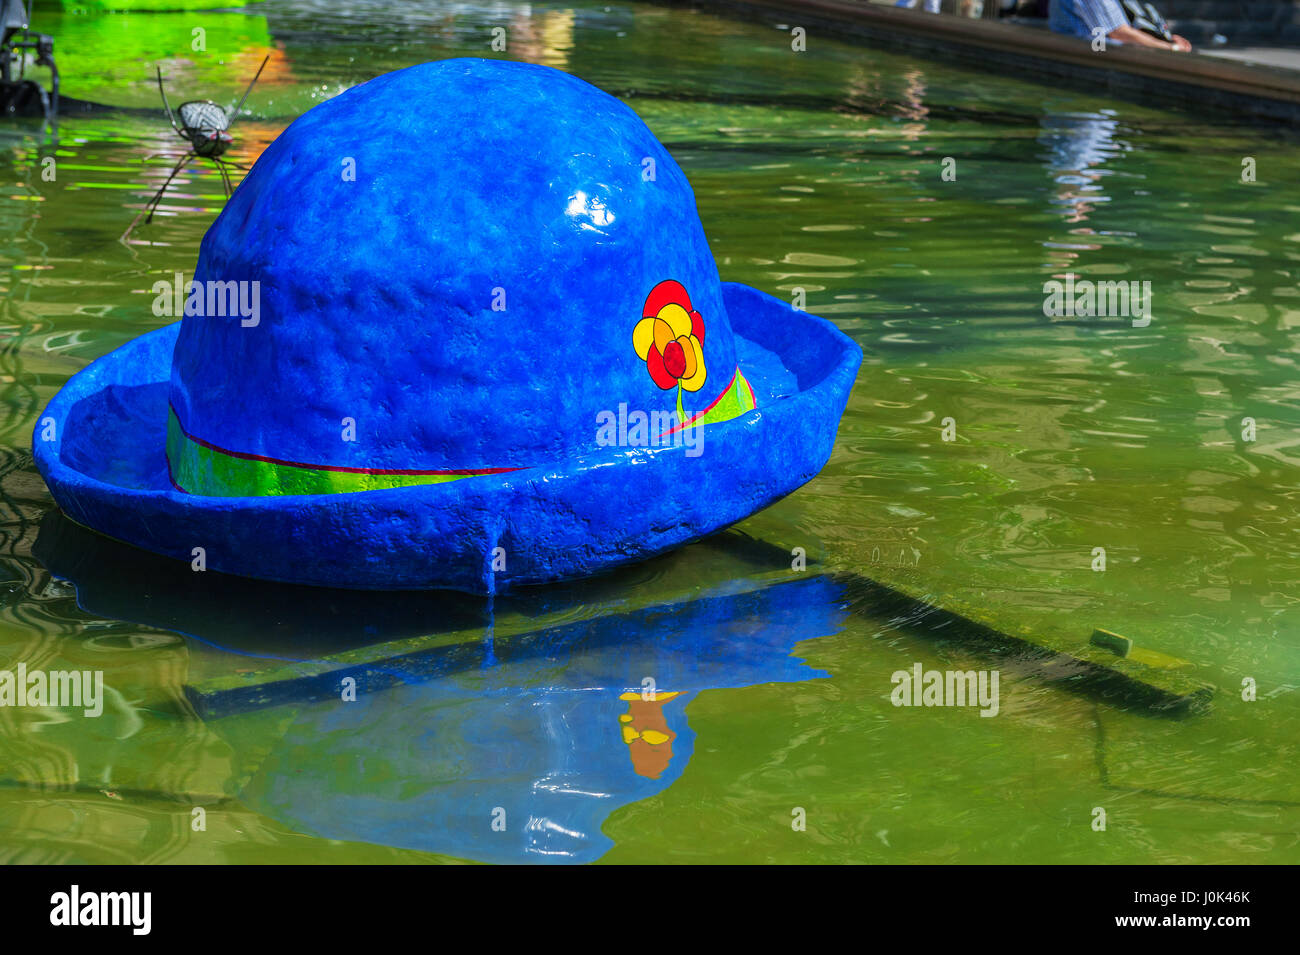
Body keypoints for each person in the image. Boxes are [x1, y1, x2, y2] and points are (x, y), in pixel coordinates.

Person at [1049, 0, 1192, 51]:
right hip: (1094, 66)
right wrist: (1170, 48)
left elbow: (1135, 20)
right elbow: (1119, 33)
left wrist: (1164, 38)